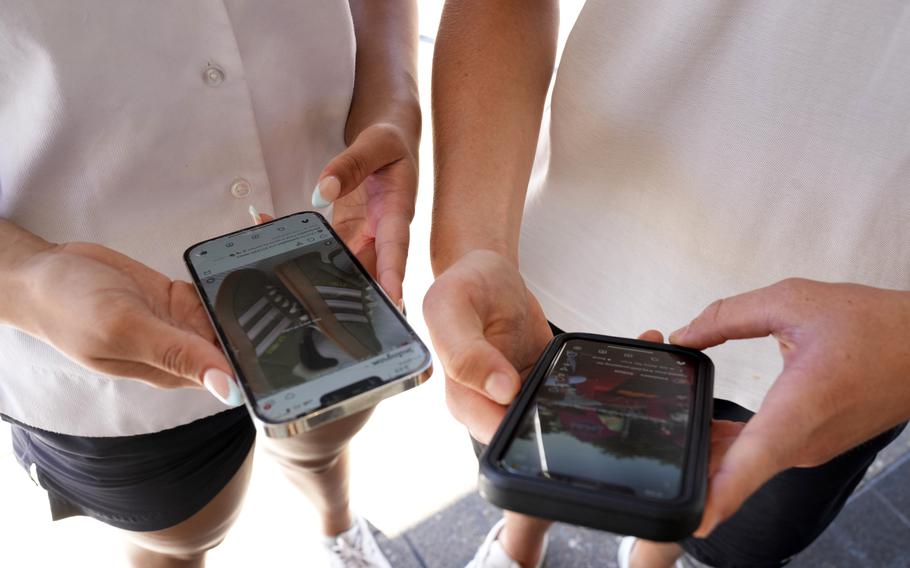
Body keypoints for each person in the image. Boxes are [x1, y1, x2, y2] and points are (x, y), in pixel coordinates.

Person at [424, 1, 910, 567]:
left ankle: (650, 558)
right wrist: (475, 245)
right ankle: (522, 539)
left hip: (868, 337)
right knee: (531, 459)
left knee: (704, 516)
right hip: (570, 253)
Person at [0, 2, 420, 566]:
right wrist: (23, 278)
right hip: (95, 352)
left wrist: (392, 102)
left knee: (322, 446)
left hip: (323, 239)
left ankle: (339, 529)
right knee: (184, 541)